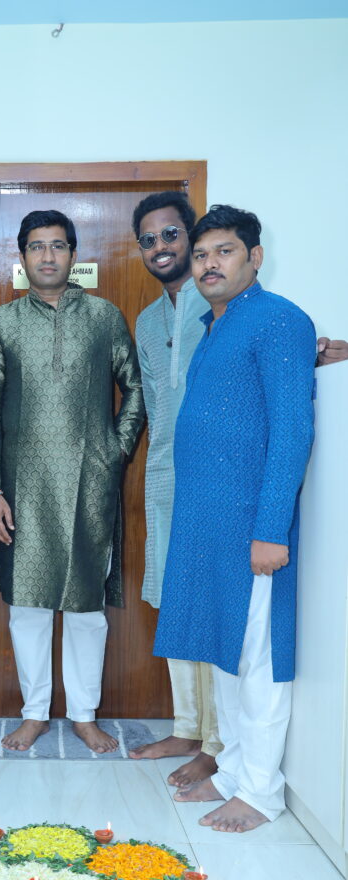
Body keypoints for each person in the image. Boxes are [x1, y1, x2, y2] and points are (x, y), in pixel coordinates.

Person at [154, 204, 316, 832]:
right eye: (201, 255)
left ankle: (260, 792)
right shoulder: (215, 325)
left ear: (255, 257)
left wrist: (271, 528)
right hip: (205, 523)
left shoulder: (279, 320)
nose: (208, 264)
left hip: (251, 525)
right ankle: (230, 772)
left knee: (257, 660)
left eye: (224, 251)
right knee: (223, 653)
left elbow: (292, 431)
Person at [0, 210, 145, 753]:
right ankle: (33, 714)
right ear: (22, 257)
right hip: (21, 489)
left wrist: (115, 450)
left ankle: (84, 715)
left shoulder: (104, 317)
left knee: (86, 608)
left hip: (90, 485)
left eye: (57, 246)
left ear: (73, 254)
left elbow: (135, 389)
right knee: (27, 607)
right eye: (36, 246)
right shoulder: (3, 322)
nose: (47, 256)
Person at [127, 192, 222, 787]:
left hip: (214, 478)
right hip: (165, 475)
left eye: (170, 234)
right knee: (174, 600)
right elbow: (150, 404)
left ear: (191, 236)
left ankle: (216, 742)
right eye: (149, 239)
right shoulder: (147, 321)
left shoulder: (220, 303)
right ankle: (187, 728)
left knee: (209, 601)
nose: (160, 247)